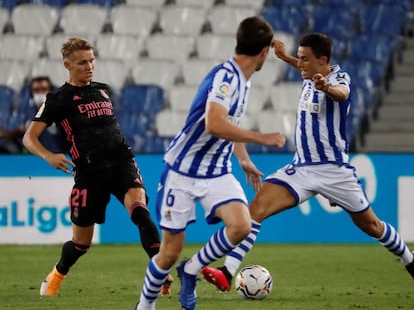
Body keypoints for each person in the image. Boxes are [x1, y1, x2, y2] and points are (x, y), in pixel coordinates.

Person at [201, 33, 414, 292]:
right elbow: (307, 70)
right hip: (301, 168)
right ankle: (227, 271)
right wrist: (284, 57)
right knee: (255, 210)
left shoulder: (338, 79)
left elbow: (341, 94)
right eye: (298, 58)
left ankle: (410, 260)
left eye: (304, 59)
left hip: (334, 171)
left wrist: (326, 88)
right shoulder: (308, 74)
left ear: (323, 60)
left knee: (372, 226)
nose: (299, 64)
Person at [135, 16, 286, 310]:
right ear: (265, 51)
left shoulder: (244, 81)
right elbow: (215, 124)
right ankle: (144, 306)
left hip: (216, 170)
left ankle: (191, 270)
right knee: (168, 252)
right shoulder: (226, 77)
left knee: (242, 225)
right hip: (182, 171)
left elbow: (229, 123)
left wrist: (242, 157)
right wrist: (262, 138)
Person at [23, 37, 172, 297]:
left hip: (122, 161)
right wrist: (49, 156)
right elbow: (29, 137)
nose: (89, 66)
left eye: (92, 60)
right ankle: (57, 274)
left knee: (139, 210)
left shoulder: (103, 89)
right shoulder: (58, 98)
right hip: (89, 174)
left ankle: (159, 272)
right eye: (82, 62)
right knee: (81, 244)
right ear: (67, 65)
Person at [0, 76, 65, 154]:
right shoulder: (26, 115)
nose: (40, 93)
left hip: (58, 157)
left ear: (50, 91)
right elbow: (17, 133)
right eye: (37, 90)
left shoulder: (61, 112)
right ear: (31, 94)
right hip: (33, 160)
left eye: (44, 89)